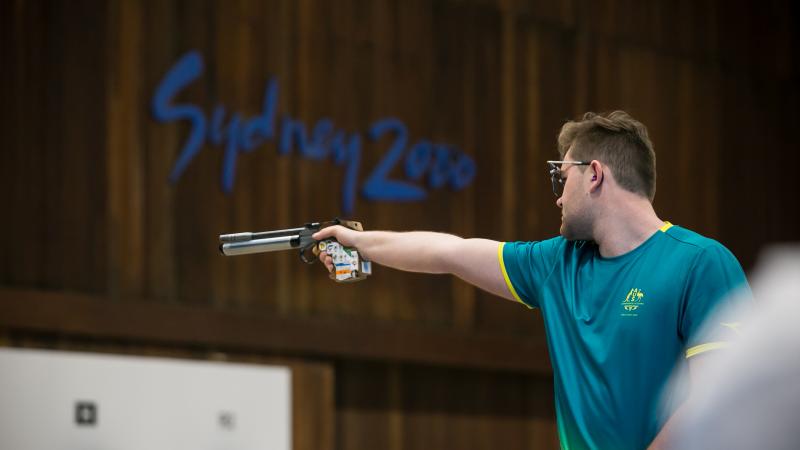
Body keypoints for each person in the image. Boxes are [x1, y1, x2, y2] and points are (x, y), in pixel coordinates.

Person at [312, 111, 751, 450]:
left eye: (562, 177)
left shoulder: (702, 263)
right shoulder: (556, 264)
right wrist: (359, 242)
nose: (558, 196)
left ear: (594, 174)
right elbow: (450, 252)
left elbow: (722, 399)